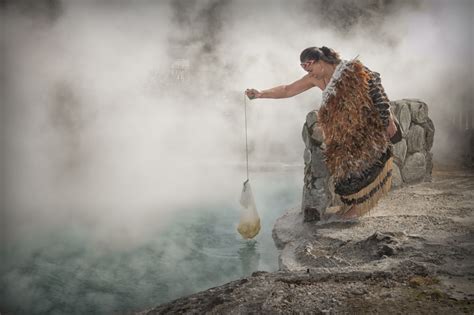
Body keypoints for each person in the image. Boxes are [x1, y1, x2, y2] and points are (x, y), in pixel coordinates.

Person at [245, 46, 402, 219]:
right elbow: (287, 89)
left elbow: (376, 91)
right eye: (305, 68)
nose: (309, 72)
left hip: (366, 126)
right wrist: (261, 94)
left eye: (310, 67)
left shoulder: (352, 70)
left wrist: (388, 121)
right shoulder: (314, 78)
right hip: (345, 132)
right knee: (344, 168)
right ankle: (353, 205)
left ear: (321, 62)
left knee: (364, 165)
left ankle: (360, 206)